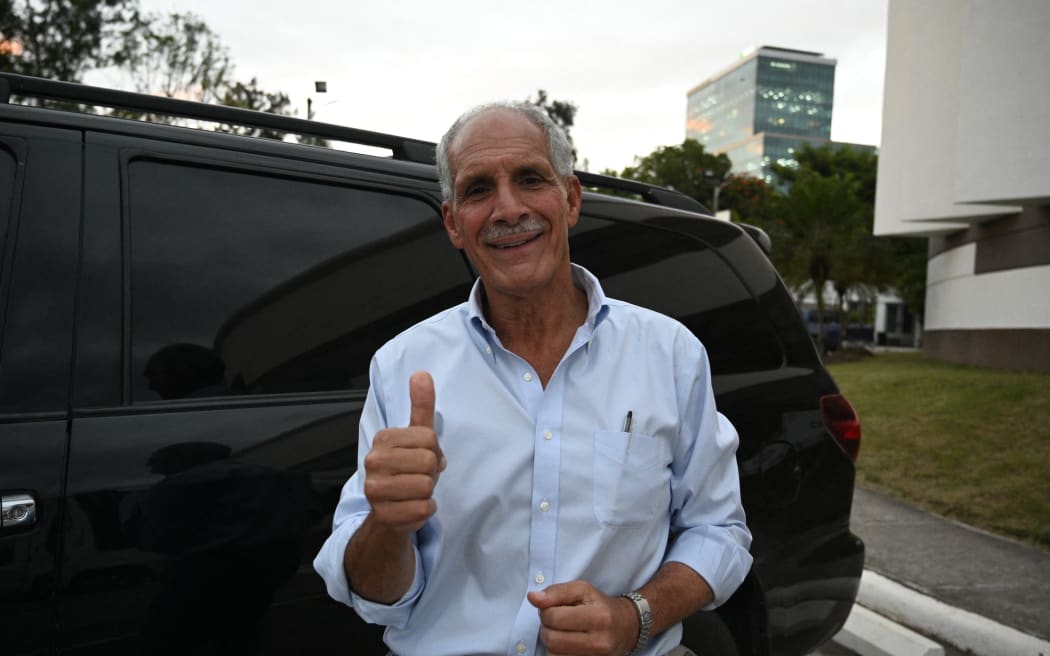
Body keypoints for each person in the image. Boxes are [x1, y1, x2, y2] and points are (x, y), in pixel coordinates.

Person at [314, 101, 752, 656]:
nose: (507, 208)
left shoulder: (669, 354)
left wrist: (633, 617)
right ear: (452, 222)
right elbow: (376, 597)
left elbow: (719, 532)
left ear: (570, 199)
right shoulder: (404, 368)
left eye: (529, 179)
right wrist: (388, 526)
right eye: (477, 190)